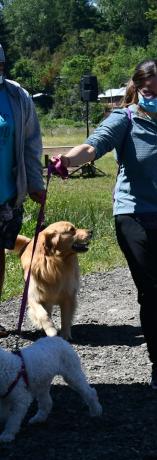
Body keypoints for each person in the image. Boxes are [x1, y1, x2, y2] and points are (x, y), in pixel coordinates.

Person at [55, 59, 157, 390]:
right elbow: (94, 146)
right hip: (135, 216)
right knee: (151, 291)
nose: (156, 97)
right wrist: (68, 159)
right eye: (149, 92)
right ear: (137, 90)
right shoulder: (123, 119)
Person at [0, 43, 44, 339]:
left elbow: (30, 141)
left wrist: (36, 183)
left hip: (6, 195)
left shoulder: (15, 94)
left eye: (1, 66)